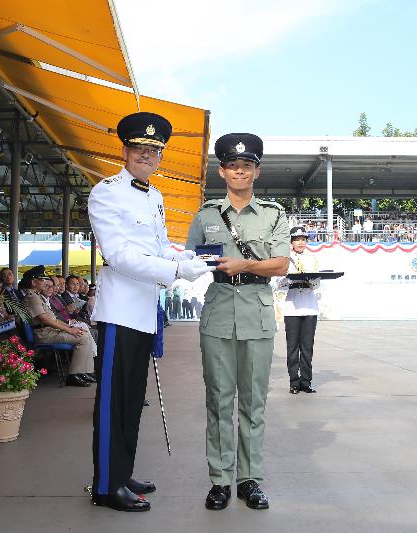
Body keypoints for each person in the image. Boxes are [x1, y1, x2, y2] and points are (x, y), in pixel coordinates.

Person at [88, 112, 213, 512]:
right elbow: (119, 255)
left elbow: (158, 246)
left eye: (154, 151)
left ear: (160, 157)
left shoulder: (155, 196)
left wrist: (188, 256)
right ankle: (106, 486)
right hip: (119, 310)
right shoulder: (106, 192)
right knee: (113, 403)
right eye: (139, 148)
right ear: (125, 151)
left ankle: (122, 472)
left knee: (131, 401)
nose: (146, 155)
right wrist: (176, 270)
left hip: (145, 311)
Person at [186, 133, 289, 511]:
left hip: (258, 314)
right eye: (233, 166)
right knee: (218, 401)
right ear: (222, 170)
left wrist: (245, 264)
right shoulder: (206, 216)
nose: (240, 171)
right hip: (217, 315)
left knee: (253, 404)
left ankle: (250, 480)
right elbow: (191, 260)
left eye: (246, 166)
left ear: (256, 171)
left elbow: (281, 264)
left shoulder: (274, 215)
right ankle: (219, 480)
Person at [21, 266, 95, 387]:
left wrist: (70, 327)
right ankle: (74, 375)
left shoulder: (37, 296)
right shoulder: (32, 297)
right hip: (43, 333)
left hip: (49, 331)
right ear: (34, 282)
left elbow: (53, 319)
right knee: (82, 337)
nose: (45, 283)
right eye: (42, 280)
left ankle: (82, 372)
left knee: (84, 334)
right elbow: (44, 319)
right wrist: (68, 330)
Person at [277, 226, 320, 394]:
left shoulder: (313, 258)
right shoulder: (285, 260)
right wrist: (289, 280)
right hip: (292, 306)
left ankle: (306, 382)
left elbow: (317, 283)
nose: (300, 242)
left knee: (307, 347)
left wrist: (312, 280)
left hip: (309, 306)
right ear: (291, 243)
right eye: (297, 240)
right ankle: (294, 382)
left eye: (303, 239)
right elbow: (278, 283)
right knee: (293, 347)